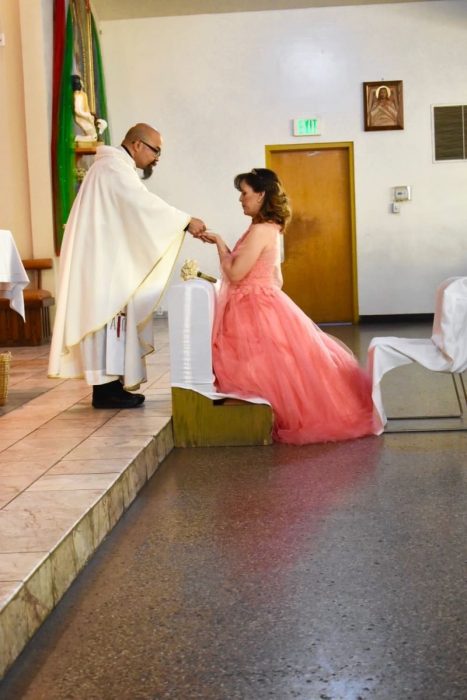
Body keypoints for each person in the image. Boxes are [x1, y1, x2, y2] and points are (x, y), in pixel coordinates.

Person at [203, 168, 382, 444]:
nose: (241, 199)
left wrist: (218, 243)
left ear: (261, 195)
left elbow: (236, 273)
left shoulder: (261, 229)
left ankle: (252, 416)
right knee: (276, 365)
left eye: (245, 193)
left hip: (253, 306)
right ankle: (255, 413)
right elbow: (277, 277)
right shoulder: (268, 228)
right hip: (261, 302)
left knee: (259, 365)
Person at [48, 122, 207, 408]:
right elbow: (141, 205)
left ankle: (111, 386)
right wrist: (185, 220)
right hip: (102, 264)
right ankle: (105, 390)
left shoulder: (113, 168)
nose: (157, 157)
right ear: (137, 144)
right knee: (107, 321)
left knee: (112, 323)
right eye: (155, 150)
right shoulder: (112, 169)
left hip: (107, 260)